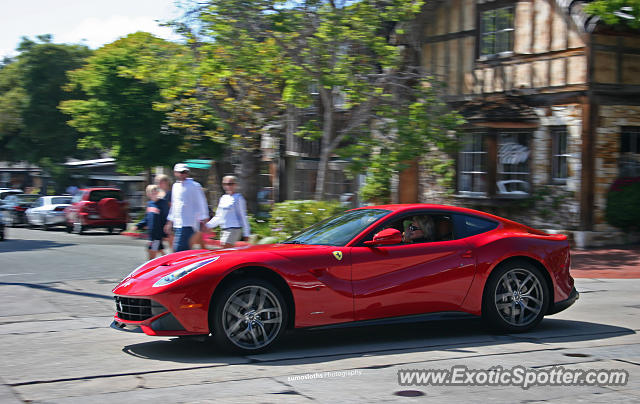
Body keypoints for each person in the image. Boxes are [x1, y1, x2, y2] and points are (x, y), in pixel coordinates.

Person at [163, 163, 209, 252]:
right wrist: (169, 222)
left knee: (179, 250)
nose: (182, 174)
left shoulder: (195, 185)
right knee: (183, 251)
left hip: (189, 223)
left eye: (185, 172)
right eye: (180, 172)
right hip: (178, 224)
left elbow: (202, 204)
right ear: (175, 173)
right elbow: (174, 206)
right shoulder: (175, 186)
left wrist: (205, 221)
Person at [206, 175, 251, 248]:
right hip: (224, 229)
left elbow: (243, 216)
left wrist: (246, 233)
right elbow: (219, 216)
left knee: (225, 249)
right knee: (226, 251)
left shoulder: (238, 198)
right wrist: (207, 226)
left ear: (235, 185)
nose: (228, 186)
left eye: (230, 184)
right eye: (225, 184)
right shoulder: (223, 198)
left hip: (234, 229)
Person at [136, 184, 168, 259]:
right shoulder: (150, 204)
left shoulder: (162, 203)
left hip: (158, 233)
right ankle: (169, 263)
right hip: (152, 233)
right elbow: (147, 218)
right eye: (151, 192)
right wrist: (138, 225)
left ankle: (152, 267)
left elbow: (166, 217)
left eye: (155, 192)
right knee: (158, 250)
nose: (154, 194)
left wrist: (166, 232)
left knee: (152, 252)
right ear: (148, 194)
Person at [154, 174, 173, 250]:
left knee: (170, 241)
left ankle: (174, 257)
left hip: (167, 220)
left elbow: (171, 207)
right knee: (157, 243)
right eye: (157, 182)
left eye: (160, 182)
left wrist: (169, 222)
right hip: (160, 221)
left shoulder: (169, 194)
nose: (158, 184)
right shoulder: (158, 194)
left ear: (166, 182)